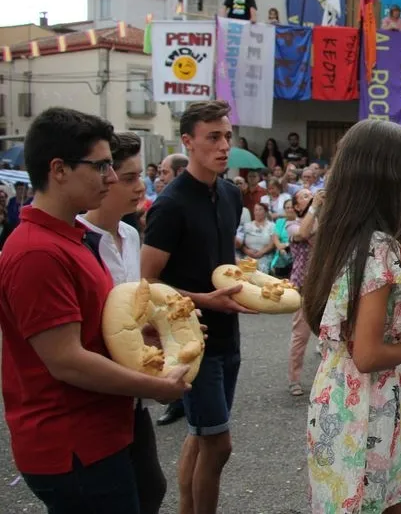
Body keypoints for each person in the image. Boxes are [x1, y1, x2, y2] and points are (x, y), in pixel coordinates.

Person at [0, 108, 189, 513]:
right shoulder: (37, 251)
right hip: (73, 444)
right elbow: (66, 360)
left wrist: (146, 338)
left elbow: (93, 330)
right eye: (101, 165)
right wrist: (156, 387)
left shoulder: (70, 238)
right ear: (59, 169)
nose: (110, 176)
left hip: (101, 433)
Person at [300, 119, 401, 513]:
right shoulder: (379, 249)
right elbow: (366, 355)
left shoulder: (338, 237)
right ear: (388, 179)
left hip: (334, 395)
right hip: (365, 407)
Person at [141, 100, 253, 514]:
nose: (224, 145)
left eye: (227, 136)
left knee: (201, 434)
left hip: (229, 334)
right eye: (213, 137)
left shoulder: (229, 194)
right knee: (218, 444)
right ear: (187, 141)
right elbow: (148, 283)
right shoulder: (169, 204)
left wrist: (250, 281)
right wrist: (205, 300)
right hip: (189, 338)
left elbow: (219, 261)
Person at [76, 132, 168, 514]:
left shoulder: (130, 234)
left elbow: (132, 310)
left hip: (132, 399)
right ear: (105, 177)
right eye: (128, 178)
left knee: (151, 491)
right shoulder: (78, 240)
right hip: (94, 400)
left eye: (139, 177)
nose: (138, 187)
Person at [286, 189, 319, 396]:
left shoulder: (320, 220)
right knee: (301, 334)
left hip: (323, 283)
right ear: (297, 207)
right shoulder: (292, 225)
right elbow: (303, 233)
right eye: (305, 196)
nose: (311, 197)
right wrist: (315, 206)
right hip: (303, 286)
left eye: (311, 194)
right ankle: (294, 379)